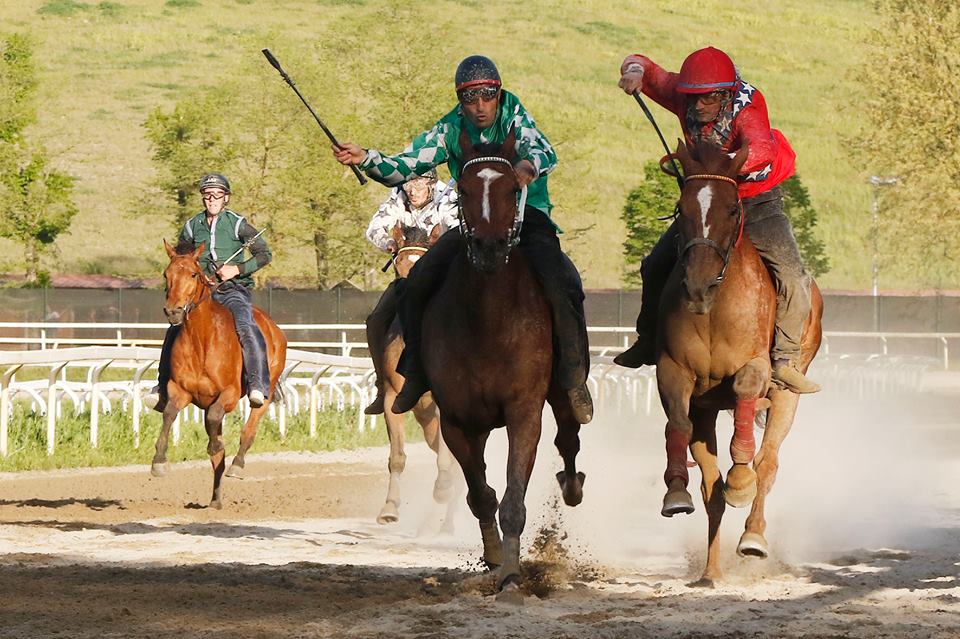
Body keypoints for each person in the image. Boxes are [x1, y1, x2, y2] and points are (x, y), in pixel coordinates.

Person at [333, 54, 594, 424]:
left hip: (526, 217)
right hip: (474, 223)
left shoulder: (515, 115)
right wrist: (366, 158)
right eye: (469, 98)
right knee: (417, 280)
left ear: (498, 93)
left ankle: (573, 377)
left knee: (562, 279)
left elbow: (544, 151)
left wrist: (526, 167)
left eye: (487, 95)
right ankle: (416, 373)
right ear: (460, 100)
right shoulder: (449, 129)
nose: (479, 106)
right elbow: (405, 165)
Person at [616, 46, 820, 394]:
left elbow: (761, 150)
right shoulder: (684, 94)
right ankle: (648, 338)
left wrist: (712, 163)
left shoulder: (749, 107)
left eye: (707, 99)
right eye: (691, 99)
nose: (696, 107)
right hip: (709, 203)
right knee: (654, 264)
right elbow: (646, 66)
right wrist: (634, 73)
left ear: (725, 94)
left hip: (758, 201)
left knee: (792, 275)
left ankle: (785, 360)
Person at [145, 173, 274, 411]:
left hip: (234, 290)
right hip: (203, 294)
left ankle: (258, 384)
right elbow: (183, 260)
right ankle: (162, 386)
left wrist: (236, 269)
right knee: (175, 328)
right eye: (207, 195)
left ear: (226, 198)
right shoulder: (191, 227)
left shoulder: (238, 224)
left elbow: (265, 254)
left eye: (216, 195)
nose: (211, 199)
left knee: (246, 326)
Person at [362, 167, 459, 415]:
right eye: (408, 186)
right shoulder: (398, 196)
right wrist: (389, 243)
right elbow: (374, 228)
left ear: (431, 185)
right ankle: (382, 386)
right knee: (375, 322)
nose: (411, 192)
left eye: (417, 187)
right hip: (406, 277)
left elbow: (459, 230)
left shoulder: (446, 198)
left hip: (441, 276)